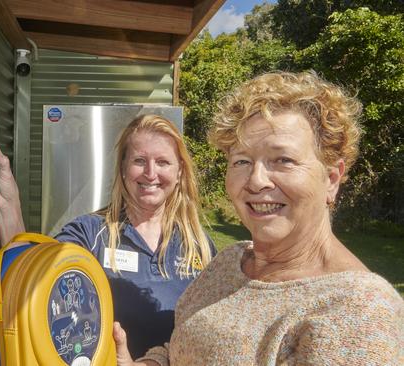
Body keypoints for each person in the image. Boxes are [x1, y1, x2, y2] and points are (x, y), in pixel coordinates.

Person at [114, 71, 404, 365]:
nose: (256, 181)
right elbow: (185, 347)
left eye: (283, 160)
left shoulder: (358, 311)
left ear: (331, 179)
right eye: (242, 161)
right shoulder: (231, 262)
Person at [0, 114, 217, 358]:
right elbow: (30, 275)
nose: (150, 173)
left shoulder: (199, 245)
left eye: (163, 162)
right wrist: (9, 204)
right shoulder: (91, 233)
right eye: (140, 160)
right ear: (123, 169)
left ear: (179, 172)